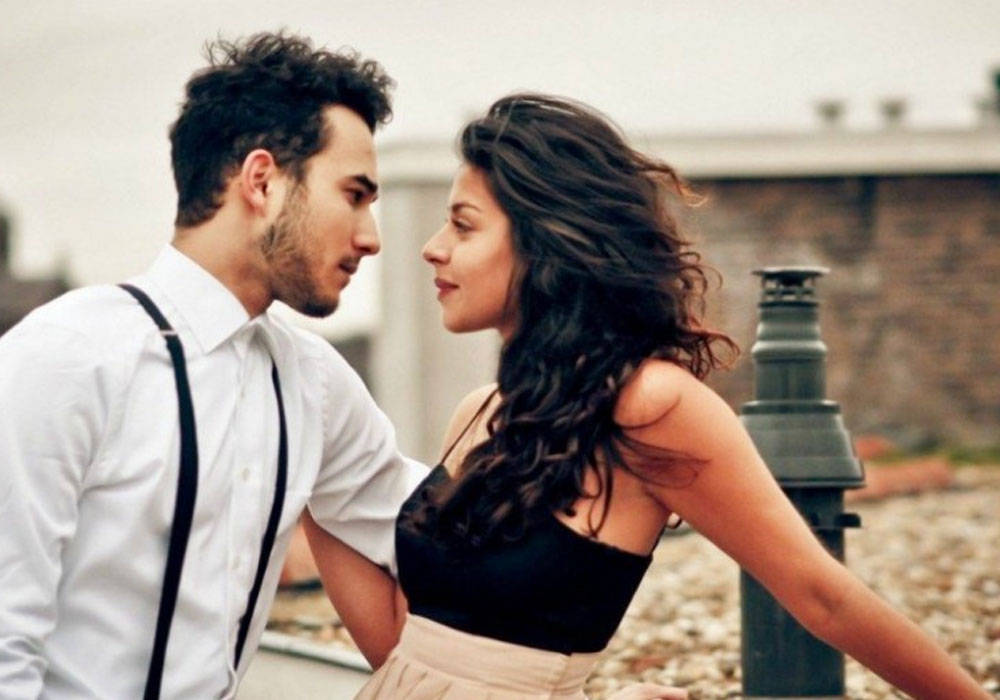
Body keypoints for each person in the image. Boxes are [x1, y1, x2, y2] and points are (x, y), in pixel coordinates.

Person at [306, 94, 993, 700]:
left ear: (547, 242)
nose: (432, 248)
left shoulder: (651, 406)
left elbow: (823, 596)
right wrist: (305, 474)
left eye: (463, 225)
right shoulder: (478, 415)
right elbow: (405, 651)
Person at [0, 32, 425, 699]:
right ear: (262, 181)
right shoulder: (65, 358)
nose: (370, 237)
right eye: (354, 195)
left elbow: (435, 529)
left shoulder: (311, 380)